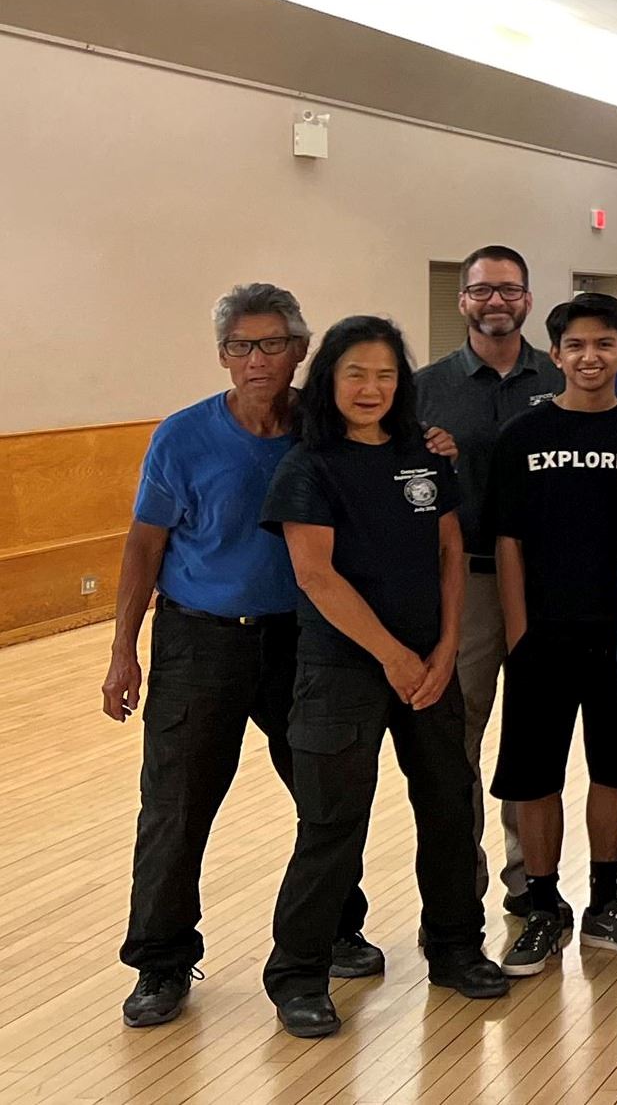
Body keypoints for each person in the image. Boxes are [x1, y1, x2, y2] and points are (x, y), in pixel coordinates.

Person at [110, 284, 380, 1029]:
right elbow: (144, 545)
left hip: (306, 640)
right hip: (200, 639)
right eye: (240, 347)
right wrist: (123, 649)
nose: (255, 360)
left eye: (271, 344)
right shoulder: (183, 437)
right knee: (176, 803)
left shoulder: (325, 432)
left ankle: (337, 926)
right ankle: (161, 962)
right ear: (223, 356)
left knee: (326, 792)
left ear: (300, 350)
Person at [258, 316, 506, 1038]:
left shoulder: (423, 455)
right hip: (340, 670)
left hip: (431, 668)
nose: (371, 388)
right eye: (355, 374)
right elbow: (315, 576)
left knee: (447, 806)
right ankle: (300, 974)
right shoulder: (309, 466)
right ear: (329, 379)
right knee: (333, 821)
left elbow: (451, 553)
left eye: (386, 374)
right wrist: (393, 656)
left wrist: (446, 647)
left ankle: (457, 947)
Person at [482, 293, 617, 977]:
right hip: (542, 639)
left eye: (604, 345)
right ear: (554, 355)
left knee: (614, 770)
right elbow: (507, 541)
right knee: (534, 776)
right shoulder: (520, 438)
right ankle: (539, 905)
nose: (590, 357)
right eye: (576, 346)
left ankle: (605, 902)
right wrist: (517, 633)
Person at [413, 244, 558, 916]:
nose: (495, 301)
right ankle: (456, 890)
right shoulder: (425, 387)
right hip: (463, 584)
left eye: (508, 290)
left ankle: (530, 880)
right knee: (456, 737)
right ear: (463, 300)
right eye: (482, 291)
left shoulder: (560, 376)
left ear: (528, 299)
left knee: (532, 732)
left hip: (545, 582)